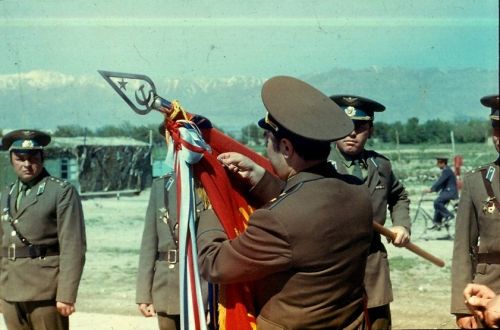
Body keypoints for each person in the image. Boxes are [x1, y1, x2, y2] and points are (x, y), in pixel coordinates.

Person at [197, 76, 373, 329]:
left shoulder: (277, 220)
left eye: (268, 141)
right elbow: (308, 205)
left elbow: (215, 264)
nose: (266, 150)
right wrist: (262, 179)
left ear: (287, 148)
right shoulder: (357, 192)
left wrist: (213, 203)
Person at [328, 95, 411, 329]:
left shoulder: (381, 165)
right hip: (332, 262)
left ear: (370, 130)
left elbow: (399, 195)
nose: (351, 133)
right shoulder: (320, 164)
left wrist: (402, 225)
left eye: (359, 126)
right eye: (344, 126)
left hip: (372, 262)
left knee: (379, 323)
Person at [0, 129, 86, 330]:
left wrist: (66, 295)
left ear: (43, 157)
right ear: (11, 159)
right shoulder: (6, 195)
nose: (27, 164)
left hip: (45, 290)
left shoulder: (61, 192)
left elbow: (73, 247)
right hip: (10, 289)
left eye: (33, 158)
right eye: (20, 158)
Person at [136, 124, 208, 330]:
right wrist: (144, 294)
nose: (175, 145)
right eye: (171, 139)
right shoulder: (161, 187)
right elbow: (149, 243)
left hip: (200, 288)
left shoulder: (206, 188)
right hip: (166, 286)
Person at [451, 94, 500, 329]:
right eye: (497, 127)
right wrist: (462, 308)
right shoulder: (476, 181)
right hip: (486, 288)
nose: (499, 136)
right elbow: (463, 248)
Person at [424, 156, 459, 229]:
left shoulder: (447, 171)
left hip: (450, 192)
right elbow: (441, 183)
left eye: (438, 163)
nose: (437, 165)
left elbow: (440, 182)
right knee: (438, 205)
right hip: (447, 192)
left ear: (443, 163)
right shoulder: (446, 170)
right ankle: (437, 222)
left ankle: (448, 215)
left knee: (437, 202)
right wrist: (434, 190)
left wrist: (431, 189)